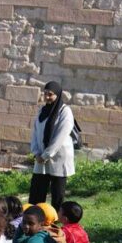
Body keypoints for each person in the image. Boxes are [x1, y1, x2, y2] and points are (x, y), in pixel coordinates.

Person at [29, 81, 76, 212]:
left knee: (57, 194)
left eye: (50, 94)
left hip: (58, 157)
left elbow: (61, 136)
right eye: (45, 94)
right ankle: (34, 218)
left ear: (58, 95)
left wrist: (46, 155)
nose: (47, 97)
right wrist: (36, 152)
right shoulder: (42, 111)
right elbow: (35, 132)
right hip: (41, 157)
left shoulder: (65, 112)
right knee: (36, 191)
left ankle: (56, 222)